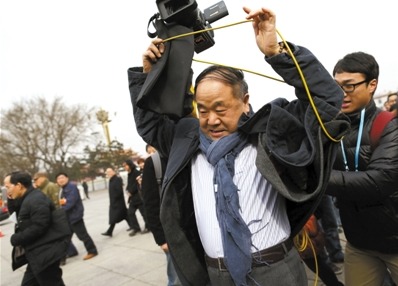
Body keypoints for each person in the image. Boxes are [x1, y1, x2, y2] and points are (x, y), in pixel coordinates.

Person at [128, 6, 349, 286]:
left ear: (245, 102)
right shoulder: (186, 141)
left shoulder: (271, 133)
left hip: (277, 271)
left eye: (221, 108)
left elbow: (328, 102)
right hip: (216, 275)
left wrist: (277, 52)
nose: (211, 120)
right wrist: (150, 77)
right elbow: (150, 125)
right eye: (204, 109)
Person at [326, 51, 398, 285]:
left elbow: (381, 180)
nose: (342, 94)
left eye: (349, 86)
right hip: (358, 243)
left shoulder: (388, 125)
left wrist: (320, 179)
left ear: (371, 85)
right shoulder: (332, 127)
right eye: (336, 86)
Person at [4, 171, 68, 286]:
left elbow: (40, 226)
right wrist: (11, 199)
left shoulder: (36, 199)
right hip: (37, 254)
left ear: (19, 185)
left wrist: (17, 238)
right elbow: (16, 215)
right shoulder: (26, 198)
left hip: (45, 253)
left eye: (8, 187)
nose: (6, 190)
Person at [141, 149, 181, 286]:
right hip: (172, 235)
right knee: (176, 279)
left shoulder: (189, 153)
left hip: (195, 232)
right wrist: (161, 240)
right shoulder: (153, 163)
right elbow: (150, 205)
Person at [56, 172, 98, 261]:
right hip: (68, 217)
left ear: (67, 178)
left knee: (83, 235)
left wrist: (59, 212)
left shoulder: (71, 187)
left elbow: (71, 202)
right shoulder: (63, 189)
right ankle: (64, 256)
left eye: (62, 177)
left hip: (74, 216)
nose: (61, 180)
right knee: (66, 238)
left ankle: (92, 251)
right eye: (58, 178)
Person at [123, 159, 149, 236]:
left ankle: (148, 227)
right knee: (130, 213)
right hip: (133, 199)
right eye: (124, 166)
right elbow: (130, 184)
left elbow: (137, 184)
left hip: (139, 197)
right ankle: (136, 228)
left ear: (130, 165)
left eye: (126, 165)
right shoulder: (129, 174)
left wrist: (131, 191)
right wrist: (127, 189)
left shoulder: (136, 172)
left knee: (144, 214)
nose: (125, 167)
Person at [101, 167, 130, 237]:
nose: (107, 174)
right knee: (125, 215)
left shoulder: (117, 179)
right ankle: (133, 226)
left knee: (114, 217)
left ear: (113, 172)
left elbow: (119, 191)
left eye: (109, 172)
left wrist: (115, 199)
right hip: (114, 202)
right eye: (107, 172)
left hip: (118, 202)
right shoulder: (111, 180)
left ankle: (109, 231)